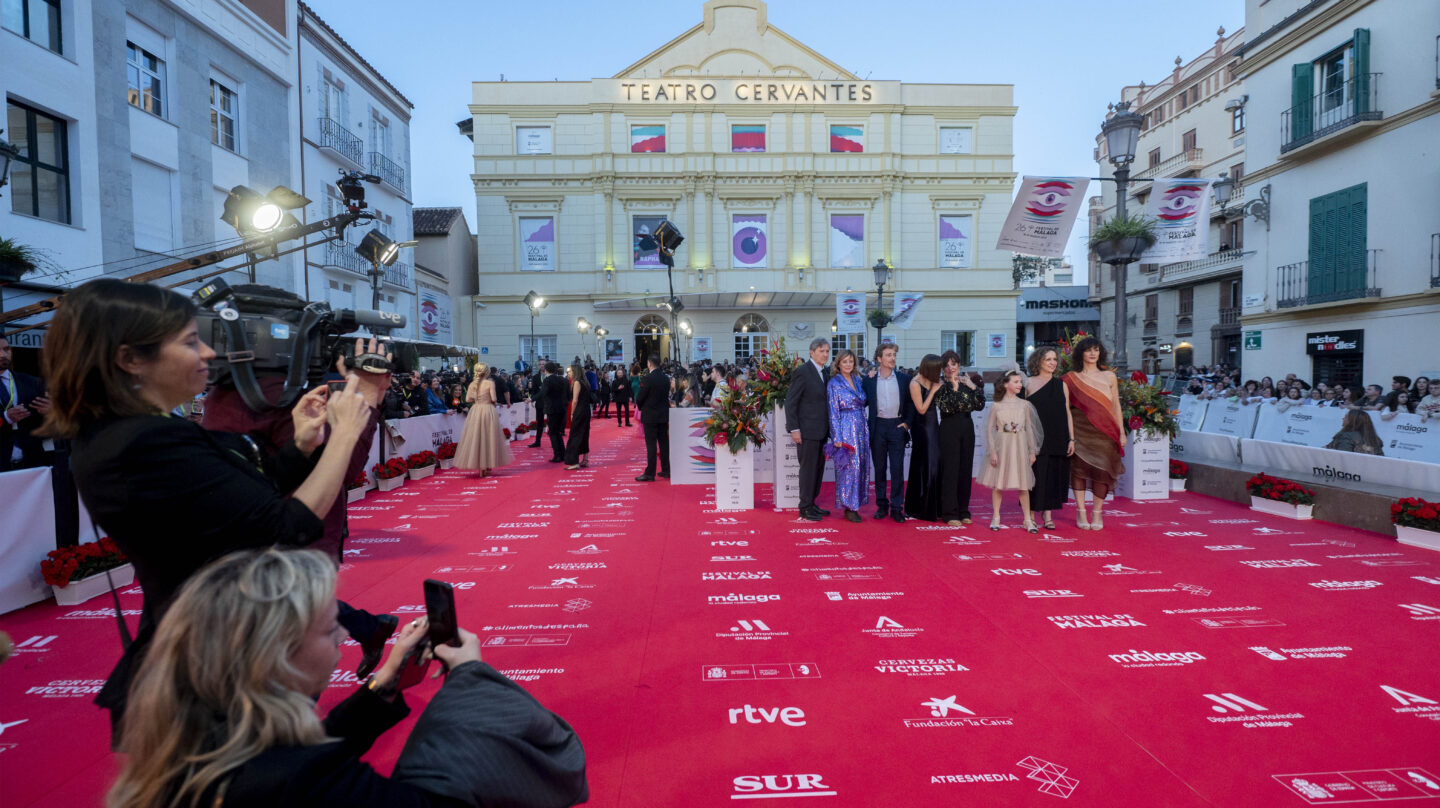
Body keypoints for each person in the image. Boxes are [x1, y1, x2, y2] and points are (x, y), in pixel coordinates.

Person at [39, 278, 384, 740]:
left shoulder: (140, 430)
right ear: (129, 359)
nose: (207, 354)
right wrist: (345, 433)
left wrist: (301, 444)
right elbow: (285, 526)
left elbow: (245, 497)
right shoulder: (138, 442)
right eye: (189, 342)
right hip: (218, 660)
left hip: (216, 643)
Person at [107, 548, 588, 808]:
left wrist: (385, 682)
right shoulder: (304, 785)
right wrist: (470, 679)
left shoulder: (196, 741)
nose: (342, 632)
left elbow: (304, 752)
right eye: (326, 625)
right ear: (276, 656)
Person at [1063, 337, 1125, 531]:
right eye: (1088, 350)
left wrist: (1121, 432)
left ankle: (1097, 512)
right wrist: (1070, 436)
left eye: (1096, 350)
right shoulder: (1069, 378)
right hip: (1080, 432)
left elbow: (1116, 406)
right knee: (1078, 472)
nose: (1092, 353)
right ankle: (1081, 510)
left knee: (1102, 472)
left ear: (1100, 353)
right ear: (1080, 353)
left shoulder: (1109, 377)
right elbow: (1066, 409)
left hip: (1106, 433)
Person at [979, 370, 1044, 533]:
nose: (1019, 385)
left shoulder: (1025, 405)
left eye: (1020, 382)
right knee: (998, 483)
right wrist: (992, 451)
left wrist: (1032, 450)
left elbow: (1029, 428)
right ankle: (996, 517)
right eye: (1016, 382)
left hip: (1020, 445)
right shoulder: (996, 405)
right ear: (1006, 384)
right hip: (1002, 445)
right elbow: (989, 430)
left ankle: (1028, 520)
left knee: (1024, 483)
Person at [1021, 347, 1072, 531]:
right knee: (1035, 475)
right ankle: (1030, 516)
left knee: (1053, 476)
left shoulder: (1061, 385)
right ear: (1038, 362)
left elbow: (1067, 413)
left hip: (1058, 436)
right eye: (1048, 359)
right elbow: (1021, 412)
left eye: (1054, 359)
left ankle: (1048, 514)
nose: (1052, 363)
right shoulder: (1027, 383)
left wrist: (1071, 439)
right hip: (1035, 437)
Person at [935, 350, 987, 527]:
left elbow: (979, 405)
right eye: (947, 365)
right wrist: (958, 392)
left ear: (959, 365)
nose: (950, 368)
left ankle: (964, 510)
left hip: (967, 428)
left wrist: (972, 387)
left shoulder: (968, 385)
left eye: (954, 364)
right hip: (949, 429)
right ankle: (949, 512)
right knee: (950, 470)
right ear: (942, 368)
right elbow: (948, 407)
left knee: (965, 471)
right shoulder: (941, 386)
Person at [862, 343, 913, 523]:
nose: (892, 358)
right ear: (879, 359)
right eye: (888, 355)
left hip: (897, 426)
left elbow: (910, 404)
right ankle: (882, 505)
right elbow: (861, 402)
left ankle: (897, 507)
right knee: (880, 468)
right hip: (878, 427)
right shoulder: (869, 380)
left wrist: (906, 423)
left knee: (898, 469)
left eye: (894, 355)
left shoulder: (903, 379)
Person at [784, 338, 831, 521]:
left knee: (818, 470)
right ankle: (804, 507)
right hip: (806, 431)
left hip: (822, 431)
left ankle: (812, 503)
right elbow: (791, 402)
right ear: (811, 352)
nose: (825, 354)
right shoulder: (802, 372)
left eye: (827, 351)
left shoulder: (825, 372)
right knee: (808, 470)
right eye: (821, 351)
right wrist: (794, 428)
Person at [825, 349, 869, 523]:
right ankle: (849, 506)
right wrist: (836, 436)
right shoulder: (833, 383)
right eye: (845, 362)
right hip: (845, 427)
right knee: (849, 468)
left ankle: (856, 502)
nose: (848, 364)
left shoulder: (858, 380)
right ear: (838, 364)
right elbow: (833, 411)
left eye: (851, 361)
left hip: (861, 426)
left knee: (861, 465)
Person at [1, 333, 51, 469]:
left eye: (6, 349)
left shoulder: (32, 382)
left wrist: (51, 413)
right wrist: (5, 418)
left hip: (32, 465)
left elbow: (51, 426)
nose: (3, 355)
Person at [903, 354, 943, 522]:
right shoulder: (915, 383)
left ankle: (935, 507)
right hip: (922, 428)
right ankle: (920, 508)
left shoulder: (933, 380)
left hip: (934, 426)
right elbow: (921, 409)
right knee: (925, 465)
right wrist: (933, 391)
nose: (940, 371)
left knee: (935, 464)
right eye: (938, 368)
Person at [455, 365, 514, 477]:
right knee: (489, 437)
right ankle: (487, 466)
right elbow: (494, 399)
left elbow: (467, 399)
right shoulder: (489, 383)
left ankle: (480, 467)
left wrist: (477, 398)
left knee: (476, 437)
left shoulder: (472, 384)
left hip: (476, 410)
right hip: (488, 410)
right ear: (486, 372)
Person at [635, 354, 671, 481]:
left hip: (650, 416)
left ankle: (650, 473)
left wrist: (640, 406)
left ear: (649, 364)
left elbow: (640, 397)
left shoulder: (647, 378)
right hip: (663, 415)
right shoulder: (666, 378)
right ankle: (666, 469)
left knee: (651, 445)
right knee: (663, 444)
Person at [564, 361, 593, 470]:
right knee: (584, 434)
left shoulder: (576, 382)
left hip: (579, 411)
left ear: (575, 371)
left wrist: (572, 413)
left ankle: (574, 462)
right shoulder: (585, 382)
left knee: (575, 435)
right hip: (586, 411)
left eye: (570, 371)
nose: (568, 374)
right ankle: (585, 459)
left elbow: (575, 401)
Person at [542, 362, 569, 462]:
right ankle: (563, 454)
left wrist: (532, 399)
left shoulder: (547, 380)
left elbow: (543, 393)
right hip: (562, 409)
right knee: (557, 432)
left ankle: (557, 455)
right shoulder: (563, 380)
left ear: (546, 370)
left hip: (552, 409)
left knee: (553, 433)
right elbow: (568, 395)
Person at [528, 365, 548, 448]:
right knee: (539, 423)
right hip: (539, 402)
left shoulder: (549, 376)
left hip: (549, 402)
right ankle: (537, 441)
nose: (542, 366)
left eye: (544, 364)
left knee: (552, 423)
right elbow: (534, 390)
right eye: (541, 364)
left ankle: (555, 442)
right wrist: (532, 398)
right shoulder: (536, 377)